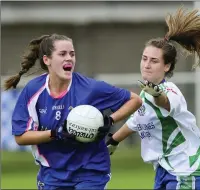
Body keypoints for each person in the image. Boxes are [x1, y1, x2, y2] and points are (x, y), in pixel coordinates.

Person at [106, 7, 200, 190]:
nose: (147, 65)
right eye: (144, 59)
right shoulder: (145, 95)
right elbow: (136, 121)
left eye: (154, 61)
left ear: (167, 66)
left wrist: (157, 94)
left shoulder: (170, 90)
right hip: (164, 168)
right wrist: (114, 141)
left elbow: (165, 102)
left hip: (185, 166)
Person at [4, 33, 142, 190]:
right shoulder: (33, 90)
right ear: (46, 60)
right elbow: (21, 136)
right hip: (52, 174)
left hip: (91, 171)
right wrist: (56, 133)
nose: (69, 58)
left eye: (72, 54)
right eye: (62, 54)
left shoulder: (90, 88)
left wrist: (110, 120)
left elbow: (135, 100)